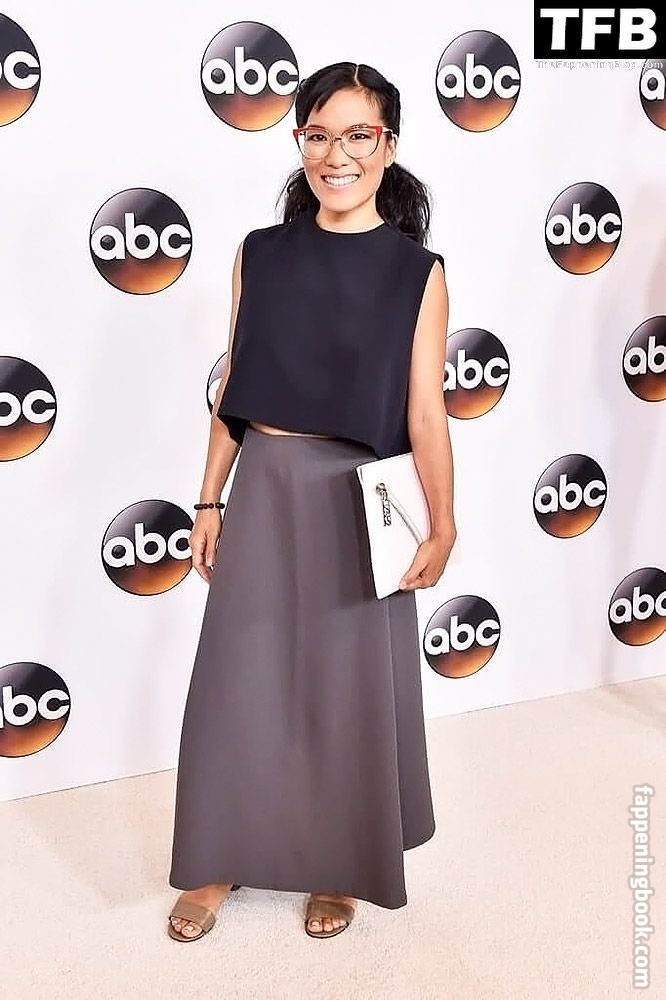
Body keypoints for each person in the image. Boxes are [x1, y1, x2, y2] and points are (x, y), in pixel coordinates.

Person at [167, 60, 455, 942]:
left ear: (389, 146)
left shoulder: (417, 272)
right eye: (319, 135)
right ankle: (218, 857)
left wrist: (444, 522)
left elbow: (426, 411)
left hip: (360, 496)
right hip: (266, 484)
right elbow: (236, 384)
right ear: (300, 143)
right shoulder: (260, 253)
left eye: (358, 134)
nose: (338, 155)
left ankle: (341, 863)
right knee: (237, 680)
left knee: (345, 688)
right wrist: (209, 499)